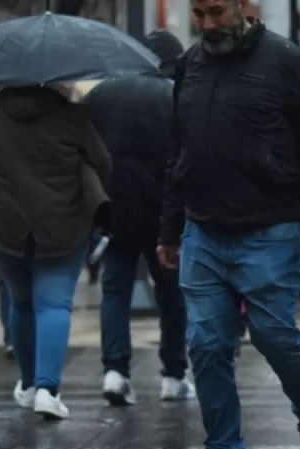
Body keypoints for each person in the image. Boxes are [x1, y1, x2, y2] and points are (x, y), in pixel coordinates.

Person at [158, 0, 300, 449]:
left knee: (272, 334)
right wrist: (169, 228)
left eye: (216, 11)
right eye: (198, 14)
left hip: (270, 226)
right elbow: (180, 148)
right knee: (207, 343)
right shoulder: (190, 66)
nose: (208, 24)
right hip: (203, 229)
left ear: (244, 6)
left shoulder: (284, 60)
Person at [0, 84, 111, 420]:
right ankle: (47, 390)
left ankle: (27, 383)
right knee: (54, 304)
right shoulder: (71, 116)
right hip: (62, 225)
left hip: (4, 227)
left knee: (21, 304)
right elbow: (103, 162)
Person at [86, 30, 195, 407]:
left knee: (114, 293)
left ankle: (115, 371)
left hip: (113, 211)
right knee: (172, 295)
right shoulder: (175, 98)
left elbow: (86, 153)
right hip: (164, 217)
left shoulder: (101, 94)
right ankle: (174, 375)